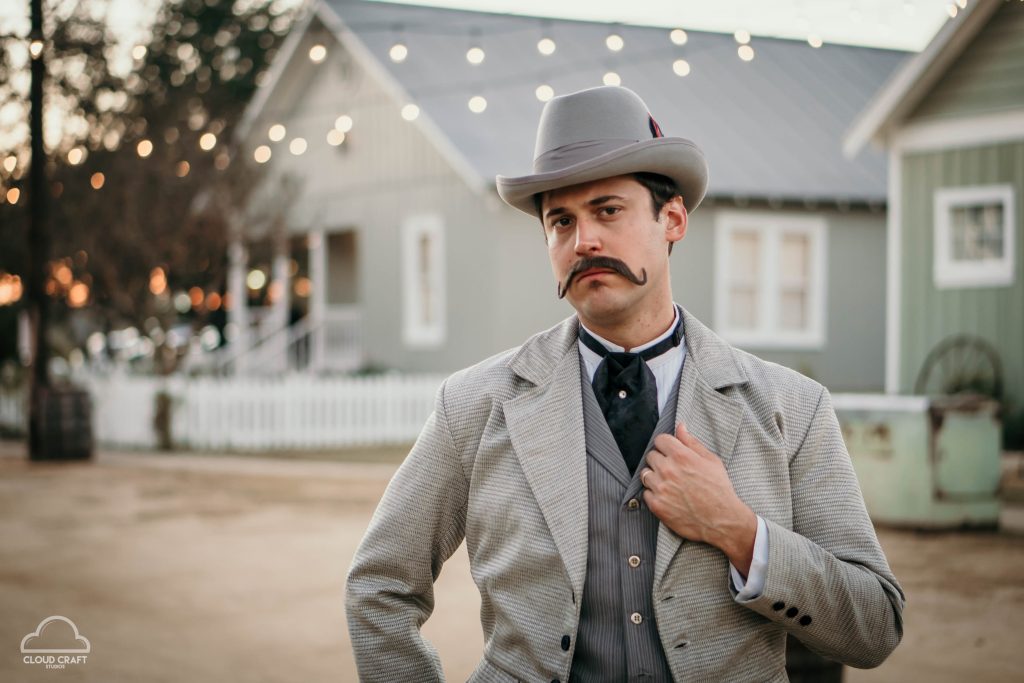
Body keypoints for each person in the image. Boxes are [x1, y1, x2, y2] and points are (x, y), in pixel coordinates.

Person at [346, 85, 904, 682]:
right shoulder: (474, 405)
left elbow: (874, 626)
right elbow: (379, 585)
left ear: (673, 219)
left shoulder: (790, 407)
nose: (583, 240)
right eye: (561, 221)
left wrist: (739, 532)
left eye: (608, 211)